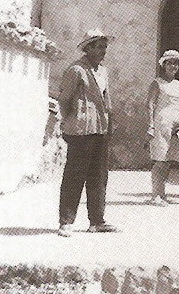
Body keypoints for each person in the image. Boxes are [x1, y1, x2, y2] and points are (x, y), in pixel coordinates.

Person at [57, 29, 118, 237]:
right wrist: (71, 122)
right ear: (88, 48)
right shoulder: (76, 70)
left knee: (99, 176)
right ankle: (66, 221)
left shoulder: (103, 71)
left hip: (100, 129)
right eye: (99, 47)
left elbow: (106, 101)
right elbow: (64, 100)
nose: (103, 51)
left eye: (104, 47)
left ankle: (97, 221)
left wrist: (109, 125)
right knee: (75, 175)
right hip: (80, 131)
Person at [146, 49, 179, 206]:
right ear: (163, 65)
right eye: (169, 63)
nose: (173, 66)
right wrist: (151, 126)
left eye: (175, 63)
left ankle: (162, 194)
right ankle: (155, 195)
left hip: (177, 128)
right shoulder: (157, 83)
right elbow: (150, 104)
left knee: (169, 160)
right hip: (161, 124)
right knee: (160, 159)